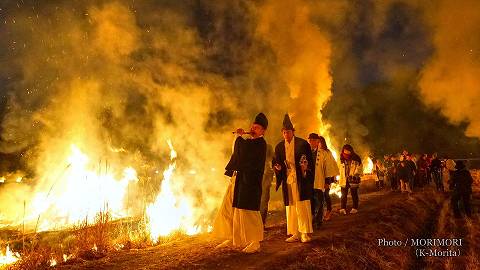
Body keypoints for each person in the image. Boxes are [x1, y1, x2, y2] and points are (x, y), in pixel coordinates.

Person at [212, 113, 268, 253]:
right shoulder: (249, 142)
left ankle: (255, 242)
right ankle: (233, 236)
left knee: (249, 212)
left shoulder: (260, 144)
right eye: (253, 126)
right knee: (232, 209)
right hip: (240, 180)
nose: (253, 129)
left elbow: (243, 151)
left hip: (250, 183)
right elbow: (237, 153)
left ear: (263, 131)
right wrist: (238, 138)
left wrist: (238, 137)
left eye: (257, 127)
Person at [273, 114, 314, 243]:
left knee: (302, 204)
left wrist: (305, 169)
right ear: (282, 133)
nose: (286, 134)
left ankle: (304, 232)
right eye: (284, 132)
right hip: (288, 178)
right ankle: (294, 232)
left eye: (288, 132)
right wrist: (278, 168)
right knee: (291, 206)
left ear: (293, 132)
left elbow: (310, 161)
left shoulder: (302, 144)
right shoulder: (279, 146)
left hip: (300, 178)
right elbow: (276, 161)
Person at [309, 133, 339, 228]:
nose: (311, 142)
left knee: (320, 201)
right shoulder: (307, 152)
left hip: (319, 181)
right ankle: (312, 218)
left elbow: (328, 168)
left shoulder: (323, 153)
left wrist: (327, 181)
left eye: (313, 140)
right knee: (311, 202)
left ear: (318, 141)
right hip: (309, 182)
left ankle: (319, 221)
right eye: (310, 140)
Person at [338, 144, 363, 215]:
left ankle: (355, 208)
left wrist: (355, 173)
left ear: (351, 150)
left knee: (354, 194)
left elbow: (360, 167)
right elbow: (339, 168)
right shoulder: (341, 158)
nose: (347, 152)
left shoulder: (356, 157)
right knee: (343, 194)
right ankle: (343, 208)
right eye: (345, 150)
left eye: (348, 150)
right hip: (344, 178)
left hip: (353, 179)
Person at [260, 144, 274, 226]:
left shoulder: (268, 147)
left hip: (265, 180)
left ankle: (261, 223)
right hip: (256, 180)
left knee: (263, 201)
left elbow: (273, 160)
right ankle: (257, 223)